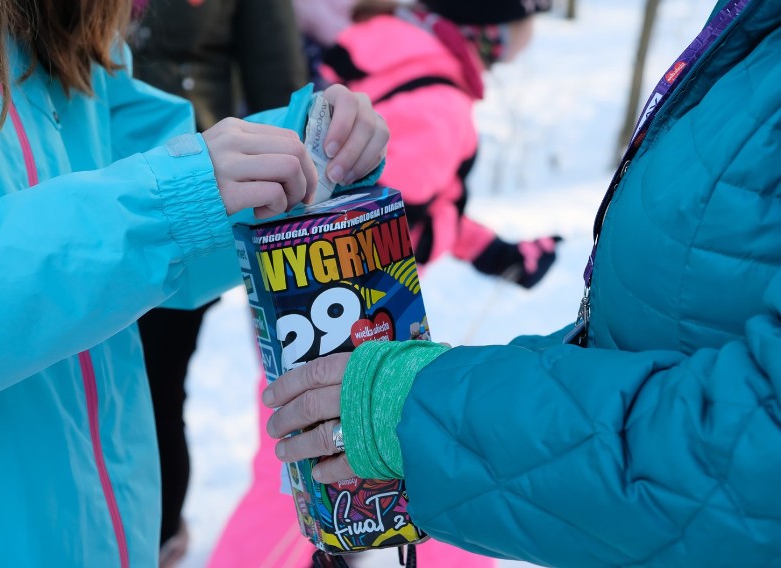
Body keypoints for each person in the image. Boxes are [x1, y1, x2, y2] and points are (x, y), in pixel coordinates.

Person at [265, 0, 781, 566]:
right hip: (347, 334)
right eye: (520, 28)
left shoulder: (385, 42)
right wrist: (407, 402)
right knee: (308, 488)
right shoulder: (441, 100)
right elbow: (370, 224)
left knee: (296, 473)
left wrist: (492, 251)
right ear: (488, 32)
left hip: (317, 332)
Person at [0, 1, 388, 565]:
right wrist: (166, 204)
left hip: (105, 519)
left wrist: (308, 147)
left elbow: (165, 179)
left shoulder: (57, 23)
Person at [128, 1, 308, 563]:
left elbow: (278, 83)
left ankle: (154, 542)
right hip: (67, 194)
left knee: (152, 387)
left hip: (184, 202)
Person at [294, 0, 560, 288]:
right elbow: (383, 226)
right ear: (494, 30)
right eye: (526, 25)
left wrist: (493, 252)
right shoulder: (441, 105)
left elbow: (414, 195)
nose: (528, 43)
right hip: (350, 298)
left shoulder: (394, 41)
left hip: (294, 273)